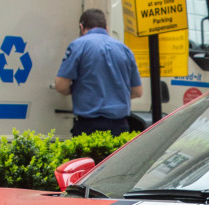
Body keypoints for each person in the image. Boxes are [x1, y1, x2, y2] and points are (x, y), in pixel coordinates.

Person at [54, 9, 143, 137]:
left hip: (88, 126)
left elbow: (61, 85)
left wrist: (78, 90)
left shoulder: (78, 46)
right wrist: (115, 94)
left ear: (81, 27)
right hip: (120, 127)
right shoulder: (125, 50)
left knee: (89, 157)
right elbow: (137, 91)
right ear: (106, 28)